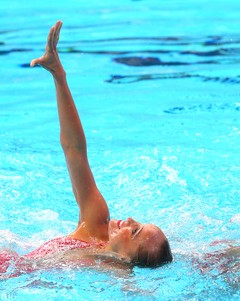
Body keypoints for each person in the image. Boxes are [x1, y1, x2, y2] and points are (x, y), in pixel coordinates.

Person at [26, 21, 172, 269]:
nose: (129, 219)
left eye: (135, 232)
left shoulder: (114, 271)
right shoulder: (94, 223)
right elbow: (74, 150)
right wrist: (59, 77)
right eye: (138, 223)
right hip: (2, 269)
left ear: (128, 257)